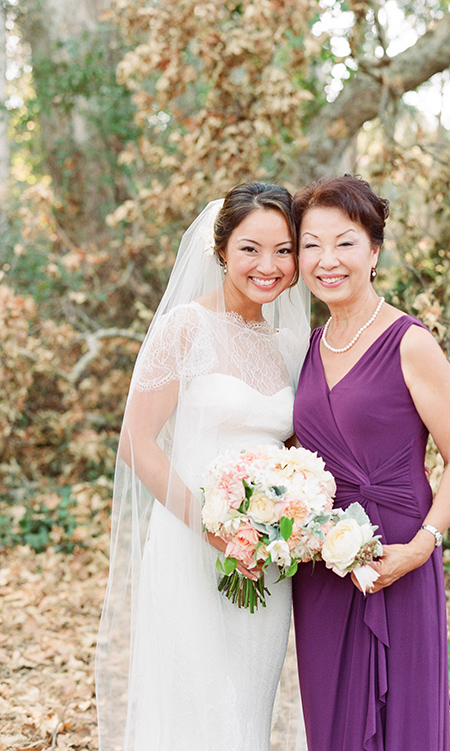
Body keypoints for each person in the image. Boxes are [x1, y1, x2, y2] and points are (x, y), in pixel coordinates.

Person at [95, 182, 310, 751]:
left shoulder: (290, 346)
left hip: (266, 555)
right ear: (220, 251)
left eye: (284, 250)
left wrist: (290, 513)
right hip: (194, 544)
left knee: (249, 702)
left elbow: (295, 450)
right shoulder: (184, 328)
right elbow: (136, 441)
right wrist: (212, 528)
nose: (268, 266)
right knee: (201, 702)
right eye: (250, 249)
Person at [290, 174, 450, 751]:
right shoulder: (306, 345)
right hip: (322, 561)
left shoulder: (409, 342)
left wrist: (423, 544)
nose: (327, 259)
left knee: (402, 715)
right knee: (332, 717)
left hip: (398, 551)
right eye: (311, 244)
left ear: (374, 251)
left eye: (344, 242)